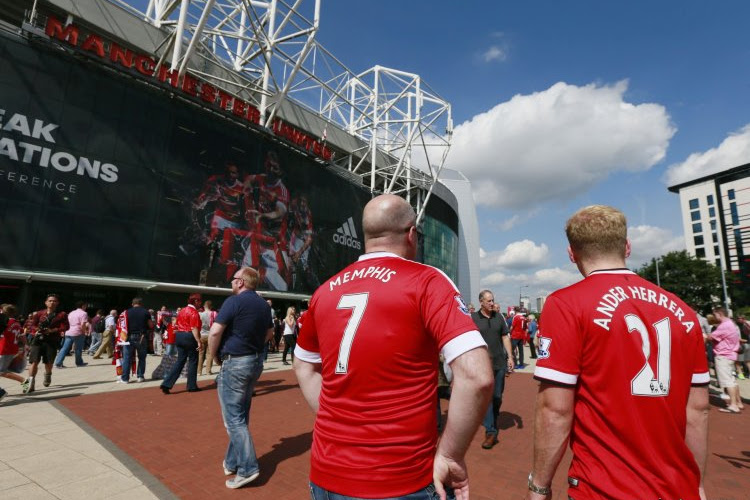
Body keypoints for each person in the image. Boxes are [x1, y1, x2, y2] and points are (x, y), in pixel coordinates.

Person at [294, 194, 493, 500]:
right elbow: (476, 375)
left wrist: (337, 420)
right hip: (401, 477)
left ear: (366, 237)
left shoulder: (325, 291)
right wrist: (450, 456)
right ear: (412, 233)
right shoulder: (426, 281)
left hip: (327, 474)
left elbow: (304, 365)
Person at [527, 205, 710, 500]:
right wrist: (697, 483)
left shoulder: (566, 304)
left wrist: (539, 486)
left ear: (571, 253)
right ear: (627, 246)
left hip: (604, 486)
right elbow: (698, 410)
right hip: (677, 487)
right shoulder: (683, 311)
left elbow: (556, 408)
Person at [207, 266, 273, 489]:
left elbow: (215, 331)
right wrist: (254, 347)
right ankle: (232, 461)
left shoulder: (233, 302)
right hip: (254, 361)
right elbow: (270, 332)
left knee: (233, 419)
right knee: (241, 414)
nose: (231, 282)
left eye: (233, 279)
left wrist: (213, 355)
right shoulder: (264, 305)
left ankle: (247, 468)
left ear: (241, 282)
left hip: (236, 361)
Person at [472, 290, 514, 450]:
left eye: (492, 300)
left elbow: (505, 336)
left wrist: (510, 356)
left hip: (499, 363)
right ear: (481, 302)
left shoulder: (499, 317)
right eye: (488, 301)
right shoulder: (473, 319)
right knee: (488, 397)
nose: (491, 303)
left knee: (497, 397)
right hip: (482, 365)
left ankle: (491, 418)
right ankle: (491, 432)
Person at [25, 294, 68, 394]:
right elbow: (33, 325)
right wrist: (37, 330)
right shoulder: (39, 314)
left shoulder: (61, 314)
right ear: (46, 302)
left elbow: (65, 327)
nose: (52, 302)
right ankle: (29, 385)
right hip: (38, 340)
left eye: (54, 301)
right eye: (50, 300)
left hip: (51, 341)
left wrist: (52, 330)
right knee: (33, 362)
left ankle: (48, 374)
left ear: (57, 303)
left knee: (48, 363)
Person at [160, 294, 203, 394]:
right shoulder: (194, 312)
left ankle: (167, 383)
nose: (200, 303)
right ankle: (191, 386)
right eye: (199, 301)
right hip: (189, 336)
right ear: (196, 301)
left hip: (179, 336)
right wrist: (198, 340)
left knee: (180, 360)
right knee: (193, 360)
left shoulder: (182, 310)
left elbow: (176, 323)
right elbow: (194, 327)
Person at [710, 306, 742, 413]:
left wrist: (703, 335)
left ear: (719, 314)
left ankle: (733, 405)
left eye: (715, 315)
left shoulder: (724, 325)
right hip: (730, 354)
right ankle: (738, 402)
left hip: (723, 355)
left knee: (728, 381)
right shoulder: (731, 323)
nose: (714, 317)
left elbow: (711, 337)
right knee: (732, 380)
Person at [119, 297, 153, 384]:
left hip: (128, 337)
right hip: (142, 337)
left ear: (132, 304)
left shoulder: (126, 312)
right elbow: (150, 325)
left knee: (127, 358)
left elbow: (121, 325)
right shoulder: (146, 312)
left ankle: (125, 378)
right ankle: (140, 376)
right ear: (141, 304)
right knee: (141, 358)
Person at [0, 304, 30, 398]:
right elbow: (22, 335)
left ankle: (23, 381)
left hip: (4, 349)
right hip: (11, 349)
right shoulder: (16, 323)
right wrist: (26, 345)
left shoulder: (5, 322)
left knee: (2, 372)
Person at [54, 301, 89, 368]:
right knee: (78, 348)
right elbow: (83, 324)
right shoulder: (84, 313)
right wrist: (84, 332)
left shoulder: (71, 313)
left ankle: (58, 363)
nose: (86, 307)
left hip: (69, 331)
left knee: (64, 348)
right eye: (85, 306)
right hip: (78, 332)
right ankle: (79, 362)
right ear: (83, 306)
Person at [198, 300, 217, 375]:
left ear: (204, 306)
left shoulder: (200, 314)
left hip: (202, 334)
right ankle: (208, 371)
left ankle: (199, 371)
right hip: (210, 335)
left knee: (200, 354)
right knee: (209, 354)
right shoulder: (214, 313)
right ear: (211, 306)